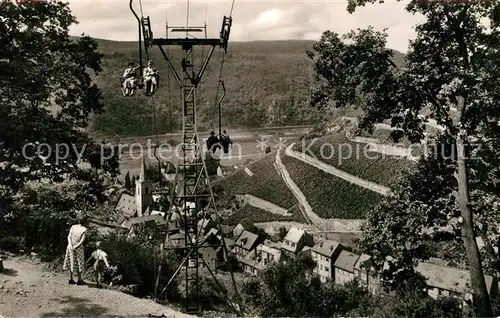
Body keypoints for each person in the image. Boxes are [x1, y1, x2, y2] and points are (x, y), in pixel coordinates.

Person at [63, 213, 88, 285]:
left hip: (70, 247)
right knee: (79, 262)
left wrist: (70, 244)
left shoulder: (73, 227)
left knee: (71, 261)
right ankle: (79, 280)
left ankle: (71, 279)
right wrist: (76, 246)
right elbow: (82, 241)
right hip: (78, 248)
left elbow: (69, 236)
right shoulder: (84, 229)